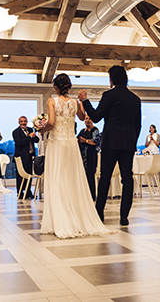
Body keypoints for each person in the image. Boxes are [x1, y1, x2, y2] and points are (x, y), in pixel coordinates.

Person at [40, 74, 113, 238]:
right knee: (72, 179)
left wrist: (42, 129)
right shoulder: (74, 102)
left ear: (55, 87)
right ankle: (75, 218)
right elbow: (81, 117)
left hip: (57, 143)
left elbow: (51, 122)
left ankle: (60, 220)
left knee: (57, 179)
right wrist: (81, 101)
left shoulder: (52, 101)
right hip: (71, 144)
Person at [79, 65, 141, 226]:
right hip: (128, 144)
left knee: (105, 177)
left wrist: (85, 100)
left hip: (111, 142)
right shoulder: (135, 99)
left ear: (111, 80)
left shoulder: (109, 95)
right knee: (127, 178)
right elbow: (138, 125)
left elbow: (96, 116)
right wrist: (132, 141)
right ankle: (124, 217)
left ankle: (99, 213)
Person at [12, 115, 39, 199]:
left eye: (25, 121)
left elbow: (37, 140)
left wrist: (33, 136)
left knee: (29, 175)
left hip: (30, 156)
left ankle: (28, 191)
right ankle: (20, 192)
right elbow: (19, 142)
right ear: (19, 122)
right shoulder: (16, 132)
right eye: (21, 121)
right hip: (21, 157)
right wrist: (29, 137)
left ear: (27, 122)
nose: (23, 123)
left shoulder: (30, 130)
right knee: (20, 176)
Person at [77, 115, 100, 200]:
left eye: (90, 118)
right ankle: (83, 196)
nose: (88, 120)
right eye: (86, 118)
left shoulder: (95, 130)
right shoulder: (82, 131)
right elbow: (78, 139)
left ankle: (92, 196)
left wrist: (85, 140)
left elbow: (96, 141)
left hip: (91, 157)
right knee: (83, 177)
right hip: (82, 157)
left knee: (90, 176)